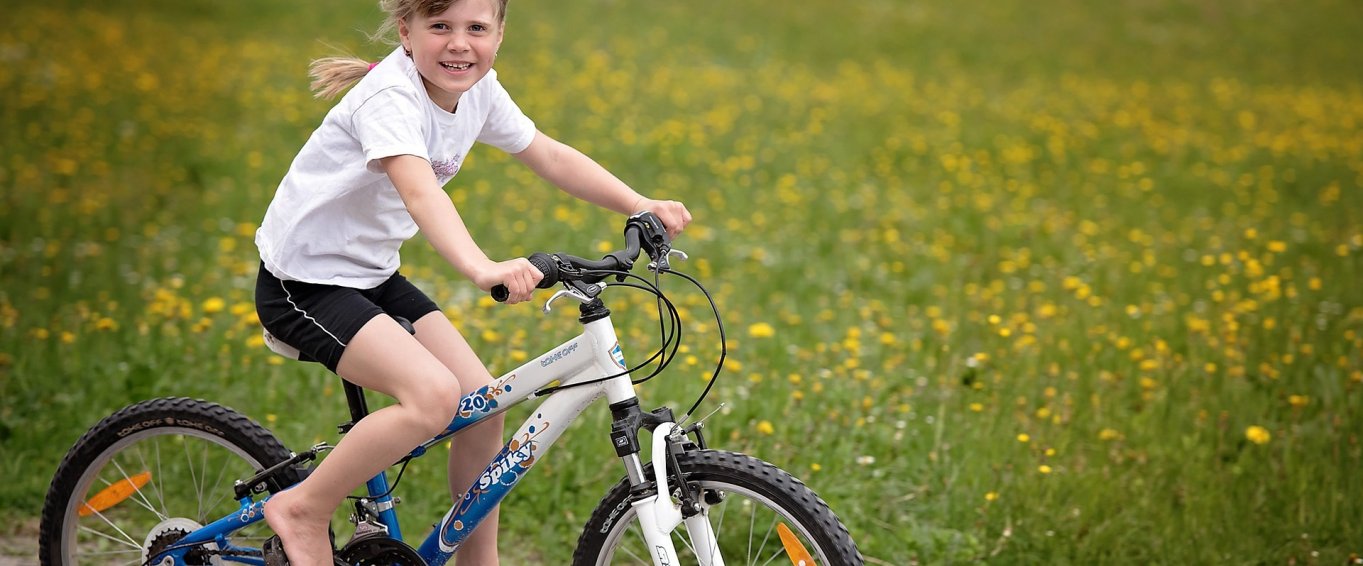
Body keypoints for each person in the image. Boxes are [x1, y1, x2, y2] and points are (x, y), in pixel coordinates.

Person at [252, 0, 692, 563]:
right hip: (304, 283)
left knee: (483, 404)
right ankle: (302, 508)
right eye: (441, 26)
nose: (459, 43)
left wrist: (638, 202)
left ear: (500, 34)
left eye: (476, 28)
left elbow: (549, 155)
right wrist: (483, 268)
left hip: (371, 276)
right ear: (407, 32)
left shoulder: (477, 91)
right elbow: (420, 192)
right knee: (433, 398)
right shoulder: (390, 99)